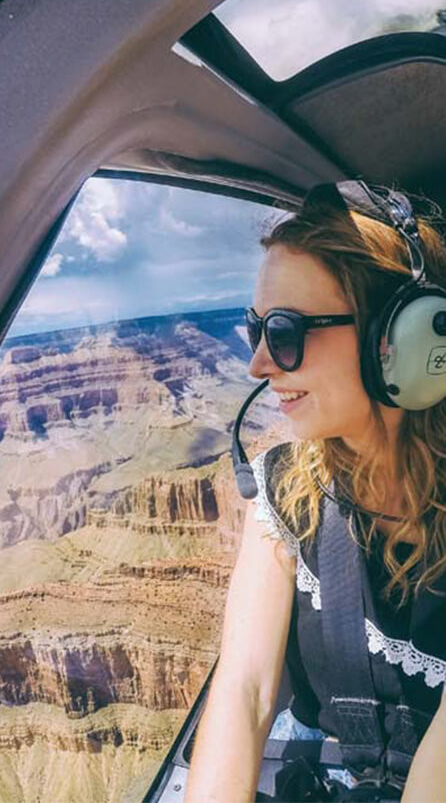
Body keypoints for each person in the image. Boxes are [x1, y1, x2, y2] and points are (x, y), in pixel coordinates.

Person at [184, 181, 446, 803]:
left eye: (286, 331)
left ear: (401, 338)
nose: (258, 365)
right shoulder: (284, 491)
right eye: (256, 329)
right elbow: (244, 688)